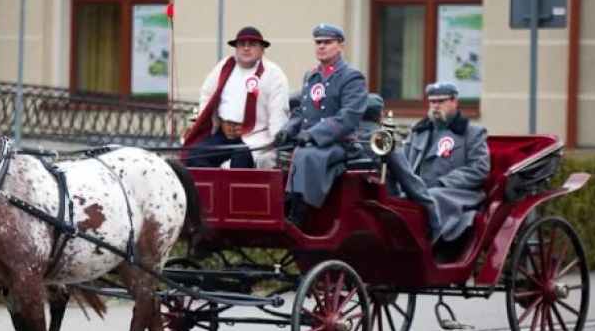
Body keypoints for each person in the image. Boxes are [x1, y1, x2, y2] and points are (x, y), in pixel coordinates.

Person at [274, 23, 367, 229]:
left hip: (340, 144)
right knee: (269, 157)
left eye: (327, 42)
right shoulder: (311, 75)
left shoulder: (351, 76)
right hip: (309, 142)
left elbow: (348, 116)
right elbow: (301, 111)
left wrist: (313, 134)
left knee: (306, 155)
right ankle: (279, 210)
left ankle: (300, 215)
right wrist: (287, 131)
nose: (321, 46)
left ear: (340, 46)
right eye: (318, 42)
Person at [183, 26, 290, 169]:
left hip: (255, 136)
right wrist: (208, 122)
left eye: (252, 44)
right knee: (195, 155)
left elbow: (277, 112)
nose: (246, 48)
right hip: (224, 134)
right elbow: (207, 94)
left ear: (262, 49)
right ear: (236, 48)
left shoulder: (274, 75)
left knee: (240, 159)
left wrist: (276, 144)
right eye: (241, 44)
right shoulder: (224, 66)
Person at [402, 81, 490, 252]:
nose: (436, 106)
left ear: (454, 102)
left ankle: (429, 244)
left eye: (441, 101)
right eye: (432, 101)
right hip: (418, 190)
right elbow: (404, 163)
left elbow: (479, 169)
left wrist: (443, 182)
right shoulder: (418, 131)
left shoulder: (472, 133)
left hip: (456, 193)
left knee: (432, 196)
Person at [350, 93, 442, 240]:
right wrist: (432, 209)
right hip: (385, 206)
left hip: (349, 205)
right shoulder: (384, 140)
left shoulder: (344, 137)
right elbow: (408, 180)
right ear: (380, 116)